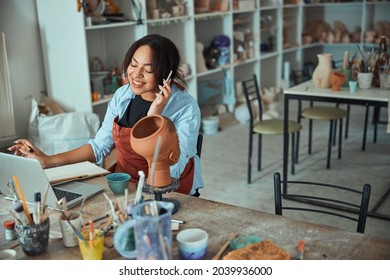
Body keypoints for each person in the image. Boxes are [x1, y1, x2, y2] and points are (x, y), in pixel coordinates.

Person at [8, 34, 203, 196]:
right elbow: (99, 146)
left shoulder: (186, 108)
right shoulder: (123, 95)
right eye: (133, 65)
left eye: (148, 70)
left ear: (165, 75)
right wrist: (48, 160)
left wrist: (153, 118)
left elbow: (170, 173)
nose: (136, 75)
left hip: (168, 189)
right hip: (127, 182)